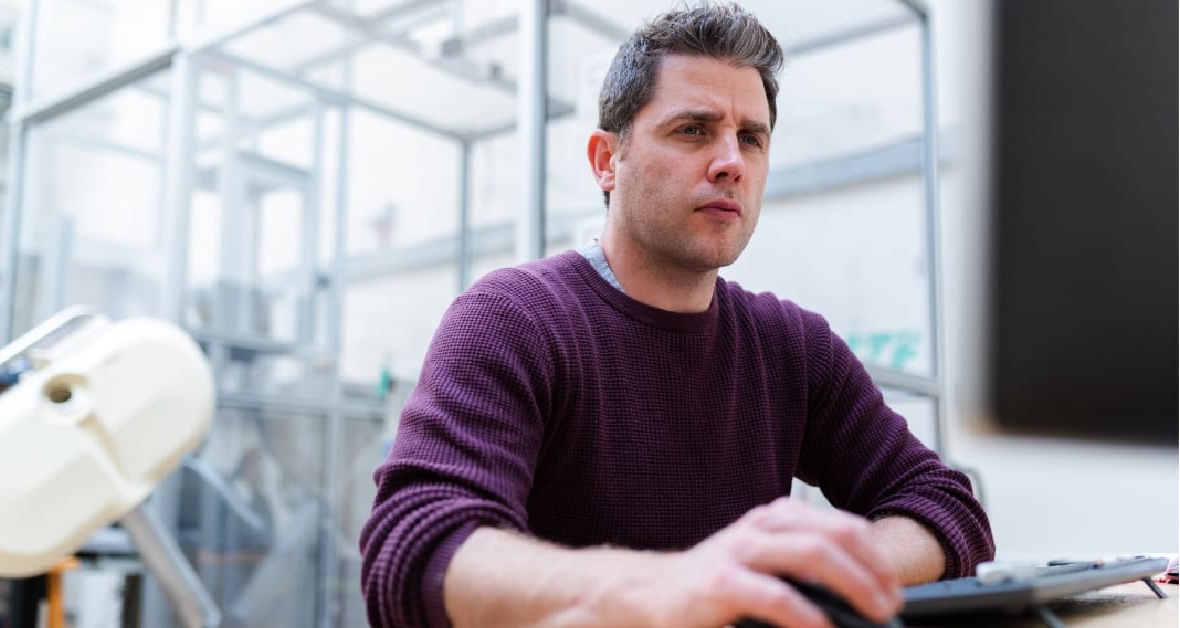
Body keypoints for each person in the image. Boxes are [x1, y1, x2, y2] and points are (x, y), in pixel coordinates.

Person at [359, 4, 995, 627]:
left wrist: (818, 573)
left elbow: (945, 505)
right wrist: (666, 586)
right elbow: (417, 551)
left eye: (751, 138)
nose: (731, 162)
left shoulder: (793, 348)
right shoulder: (514, 320)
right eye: (692, 129)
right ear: (607, 161)